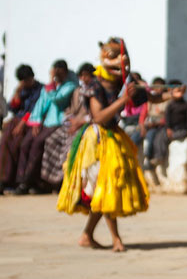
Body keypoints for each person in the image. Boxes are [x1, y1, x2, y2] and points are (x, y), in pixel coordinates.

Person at [56, 37, 171, 252]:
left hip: (114, 138)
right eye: (115, 57)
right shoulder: (95, 85)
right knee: (105, 186)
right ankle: (115, 238)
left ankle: (87, 234)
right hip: (97, 140)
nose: (122, 62)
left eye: (124, 58)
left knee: (108, 188)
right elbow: (99, 117)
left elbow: (148, 97)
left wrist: (170, 94)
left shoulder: (123, 84)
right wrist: (122, 101)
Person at [13, 60, 78, 194]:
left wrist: (51, 85)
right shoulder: (49, 87)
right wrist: (36, 122)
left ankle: (29, 181)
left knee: (37, 144)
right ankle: (21, 179)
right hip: (44, 122)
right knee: (25, 144)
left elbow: (58, 100)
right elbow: (40, 105)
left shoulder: (70, 86)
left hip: (57, 122)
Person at [41, 63, 95, 189]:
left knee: (70, 145)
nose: (84, 79)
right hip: (72, 124)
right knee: (51, 140)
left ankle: (67, 181)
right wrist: (70, 120)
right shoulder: (77, 91)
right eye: (82, 76)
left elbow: (94, 114)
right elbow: (70, 110)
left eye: (86, 76)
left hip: (87, 125)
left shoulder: (95, 91)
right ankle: (51, 181)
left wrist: (79, 122)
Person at [0, 64, 43, 193]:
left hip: (30, 122)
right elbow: (13, 108)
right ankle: (3, 180)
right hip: (17, 120)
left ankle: (16, 180)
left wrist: (22, 124)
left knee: (18, 144)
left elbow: (34, 109)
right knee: (4, 142)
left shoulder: (40, 89)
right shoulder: (22, 89)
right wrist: (17, 93)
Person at [132, 77, 169, 167]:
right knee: (134, 137)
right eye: (156, 87)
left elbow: (167, 117)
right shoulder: (148, 100)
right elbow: (143, 116)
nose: (158, 90)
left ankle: (148, 159)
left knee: (150, 136)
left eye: (160, 87)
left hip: (158, 126)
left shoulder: (167, 101)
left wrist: (156, 123)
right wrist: (142, 127)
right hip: (148, 124)